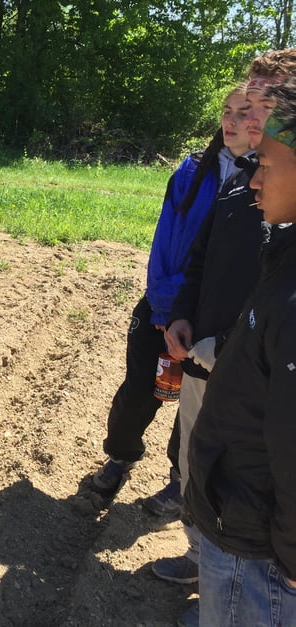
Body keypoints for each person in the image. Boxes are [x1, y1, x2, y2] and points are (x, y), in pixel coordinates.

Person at [154, 49, 296, 626]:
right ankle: (210, 577)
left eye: (265, 106)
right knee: (196, 460)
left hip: (258, 518)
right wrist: (180, 312)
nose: (251, 119)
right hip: (207, 355)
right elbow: (199, 256)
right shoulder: (238, 189)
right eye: (247, 105)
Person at [90, 84, 253, 517]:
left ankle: (180, 481)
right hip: (164, 304)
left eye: (245, 112)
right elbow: (165, 243)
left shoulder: (262, 177)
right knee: (139, 391)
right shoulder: (190, 172)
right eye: (227, 111)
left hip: (214, 314)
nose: (233, 121)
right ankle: (120, 456)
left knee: (198, 406)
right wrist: (164, 308)